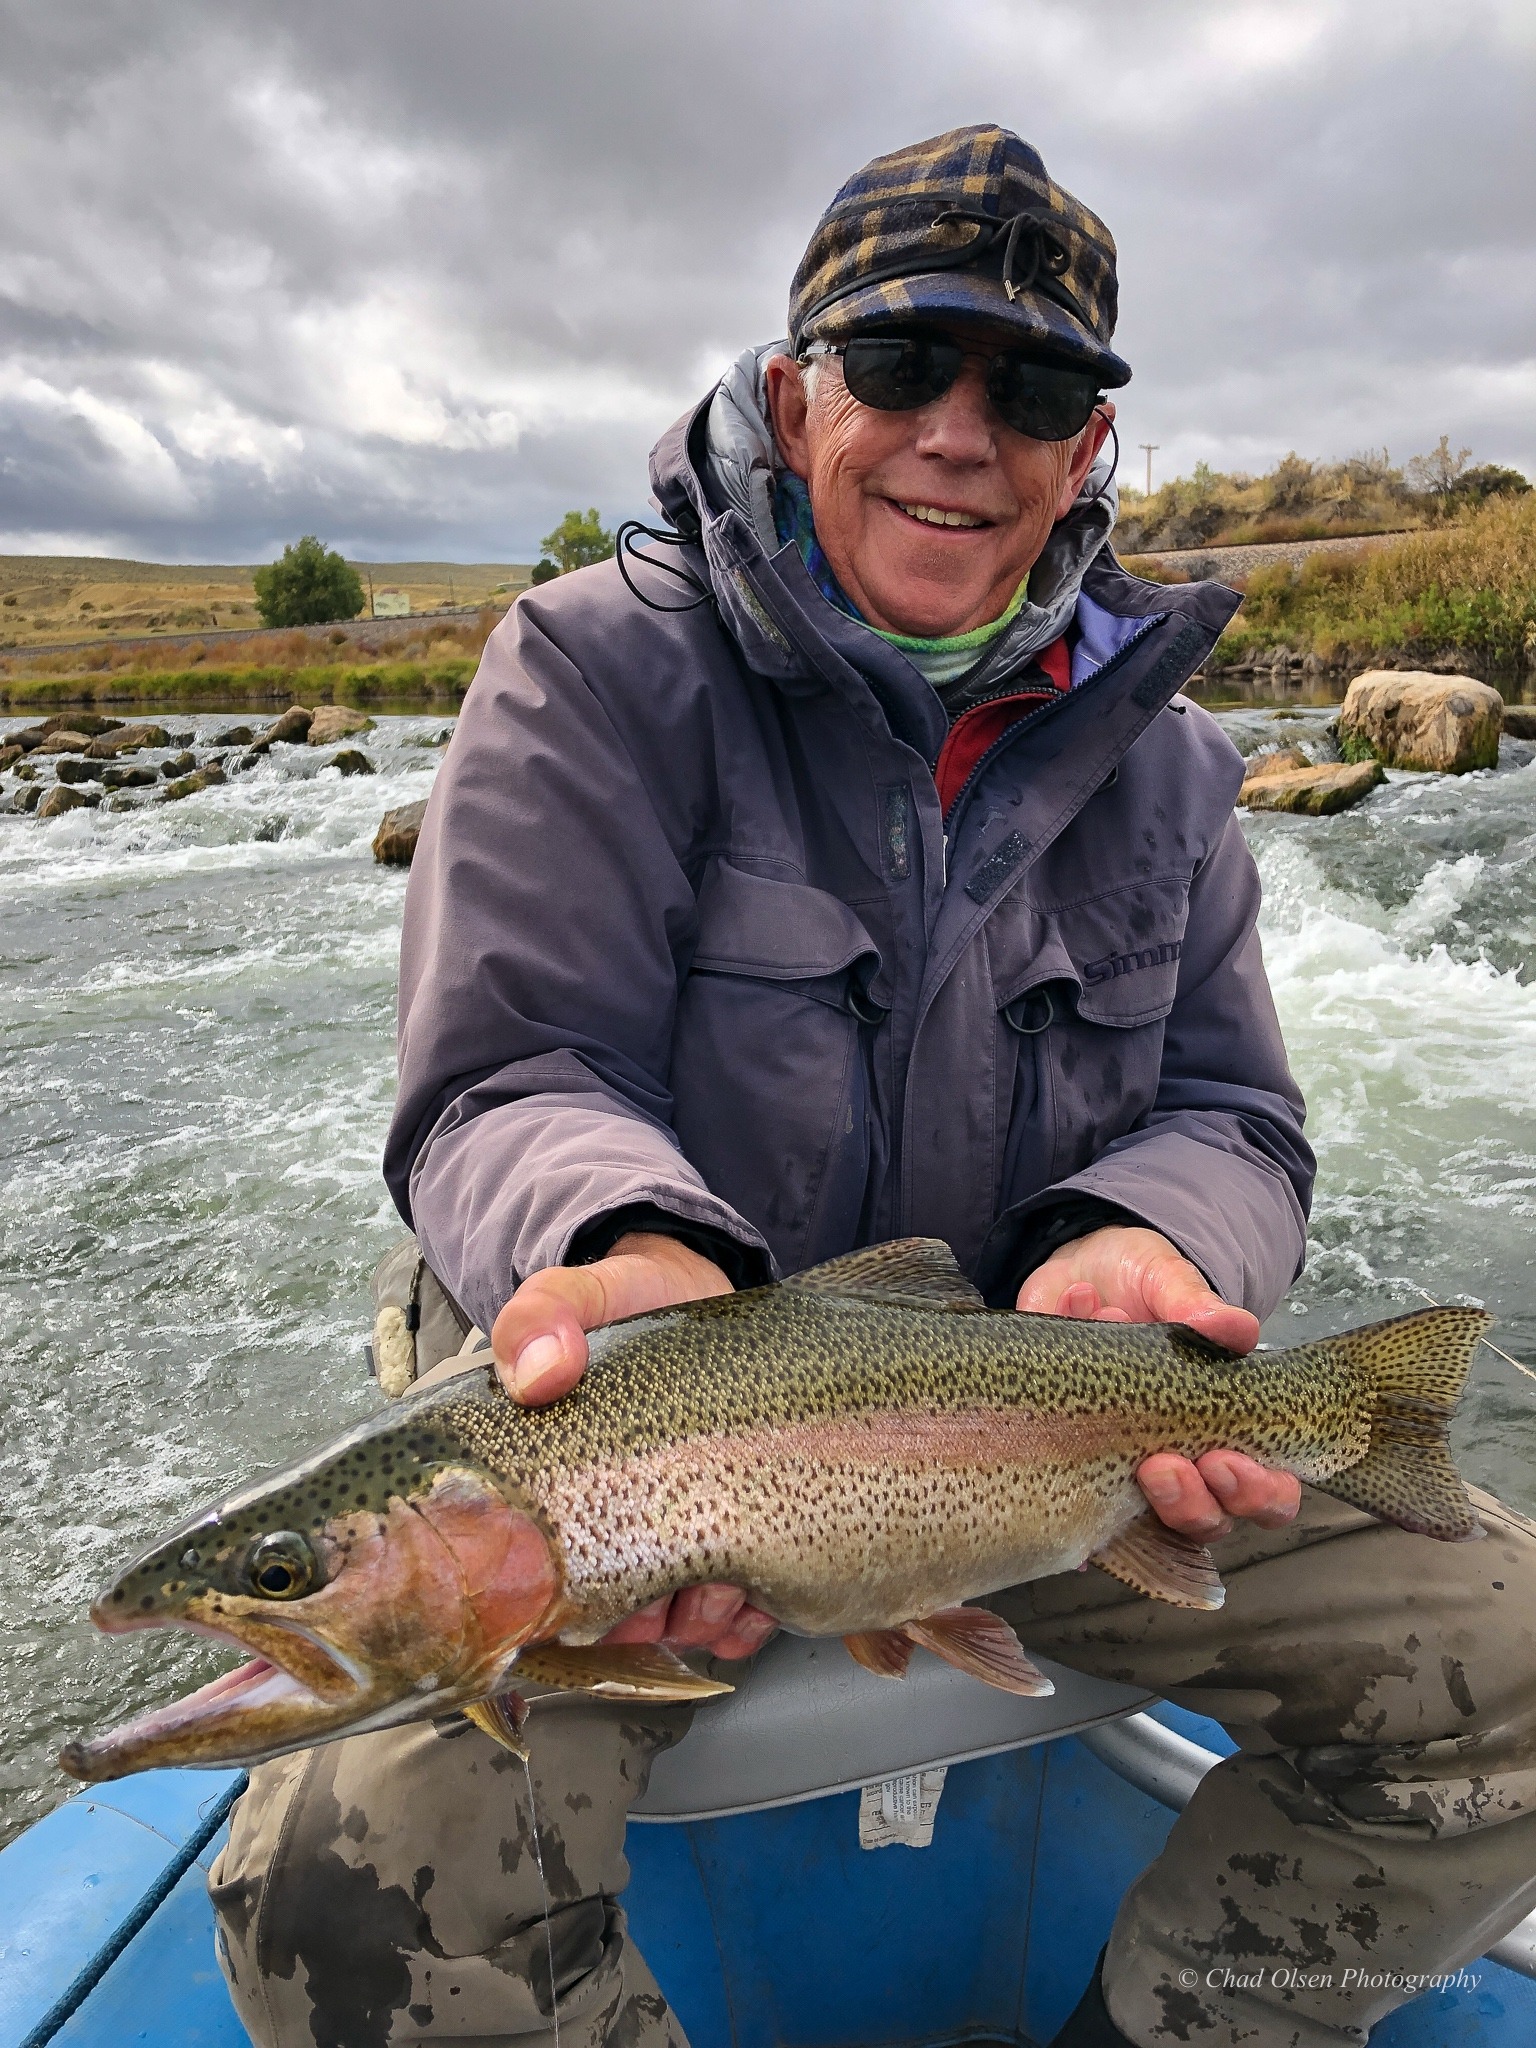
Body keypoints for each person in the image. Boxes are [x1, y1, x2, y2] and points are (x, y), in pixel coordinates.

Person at [211, 127, 1536, 2048]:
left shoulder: (1171, 769)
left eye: (1039, 388)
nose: (958, 433)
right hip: (607, 1438)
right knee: (342, 1879)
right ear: (791, 391)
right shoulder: (586, 675)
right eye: (902, 363)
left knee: (1512, 1665)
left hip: (1026, 1431)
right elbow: (509, 1073)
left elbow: (1237, 1116)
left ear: (1092, 449)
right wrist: (631, 1245)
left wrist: (1145, 1246)